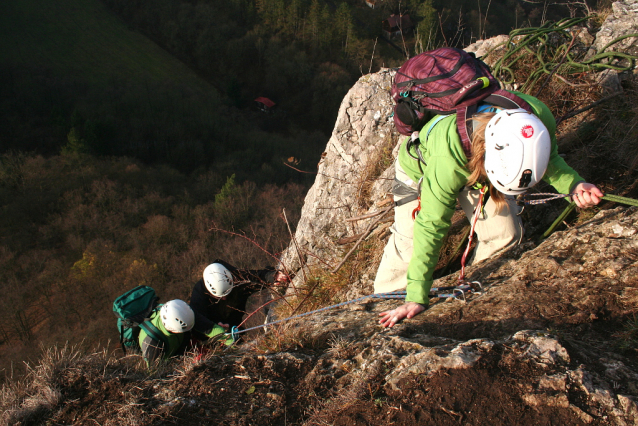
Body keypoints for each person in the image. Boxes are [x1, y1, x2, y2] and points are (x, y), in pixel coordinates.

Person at [376, 94, 603, 328]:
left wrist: (574, 184)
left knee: (504, 234)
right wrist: (416, 297)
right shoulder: (448, 158)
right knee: (409, 241)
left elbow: (549, 156)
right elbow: (431, 226)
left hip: (475, 167)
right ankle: (384, 299)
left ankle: (473, 289)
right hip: (423, 167)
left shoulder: (534, 117)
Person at [189, 259, 290, 339]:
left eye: (227, 293)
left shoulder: (237, 278)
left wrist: (272, 276)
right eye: (219, 297)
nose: (224, 298)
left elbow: (255, 277)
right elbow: (196, 321)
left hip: (235, 327)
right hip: (212, 333)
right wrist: (216, 327)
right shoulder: (199, 296)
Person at [138, 299, 229, 365]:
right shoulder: (152, 344)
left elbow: (211, 328)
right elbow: (155, 373)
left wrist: (232, 342)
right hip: (169, 360)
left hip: (182, 344)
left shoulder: (183, 313)